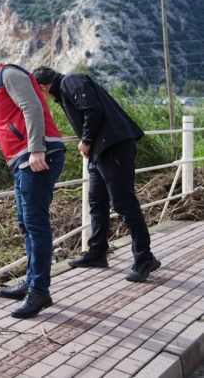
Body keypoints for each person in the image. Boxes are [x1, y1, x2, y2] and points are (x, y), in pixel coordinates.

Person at [32, 66, 160, 282]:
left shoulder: (70, 81)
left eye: (39, 92)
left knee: (124, 203)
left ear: (43, 87)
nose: (41, 97)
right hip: (101, 151)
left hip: (113, 146)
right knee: (96, 201)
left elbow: (92, 109)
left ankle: (145, 258)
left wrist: (86, 140)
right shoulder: (65, 89)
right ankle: (97, 253)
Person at [0, 54, 65, 319]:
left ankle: (39, 291)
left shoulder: (8, 74)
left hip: (37, 159)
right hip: (24, 162)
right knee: (26, 223)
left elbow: (31, 107)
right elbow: (14, 125)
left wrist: (37, 149)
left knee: (35, 224)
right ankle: (32, 283)